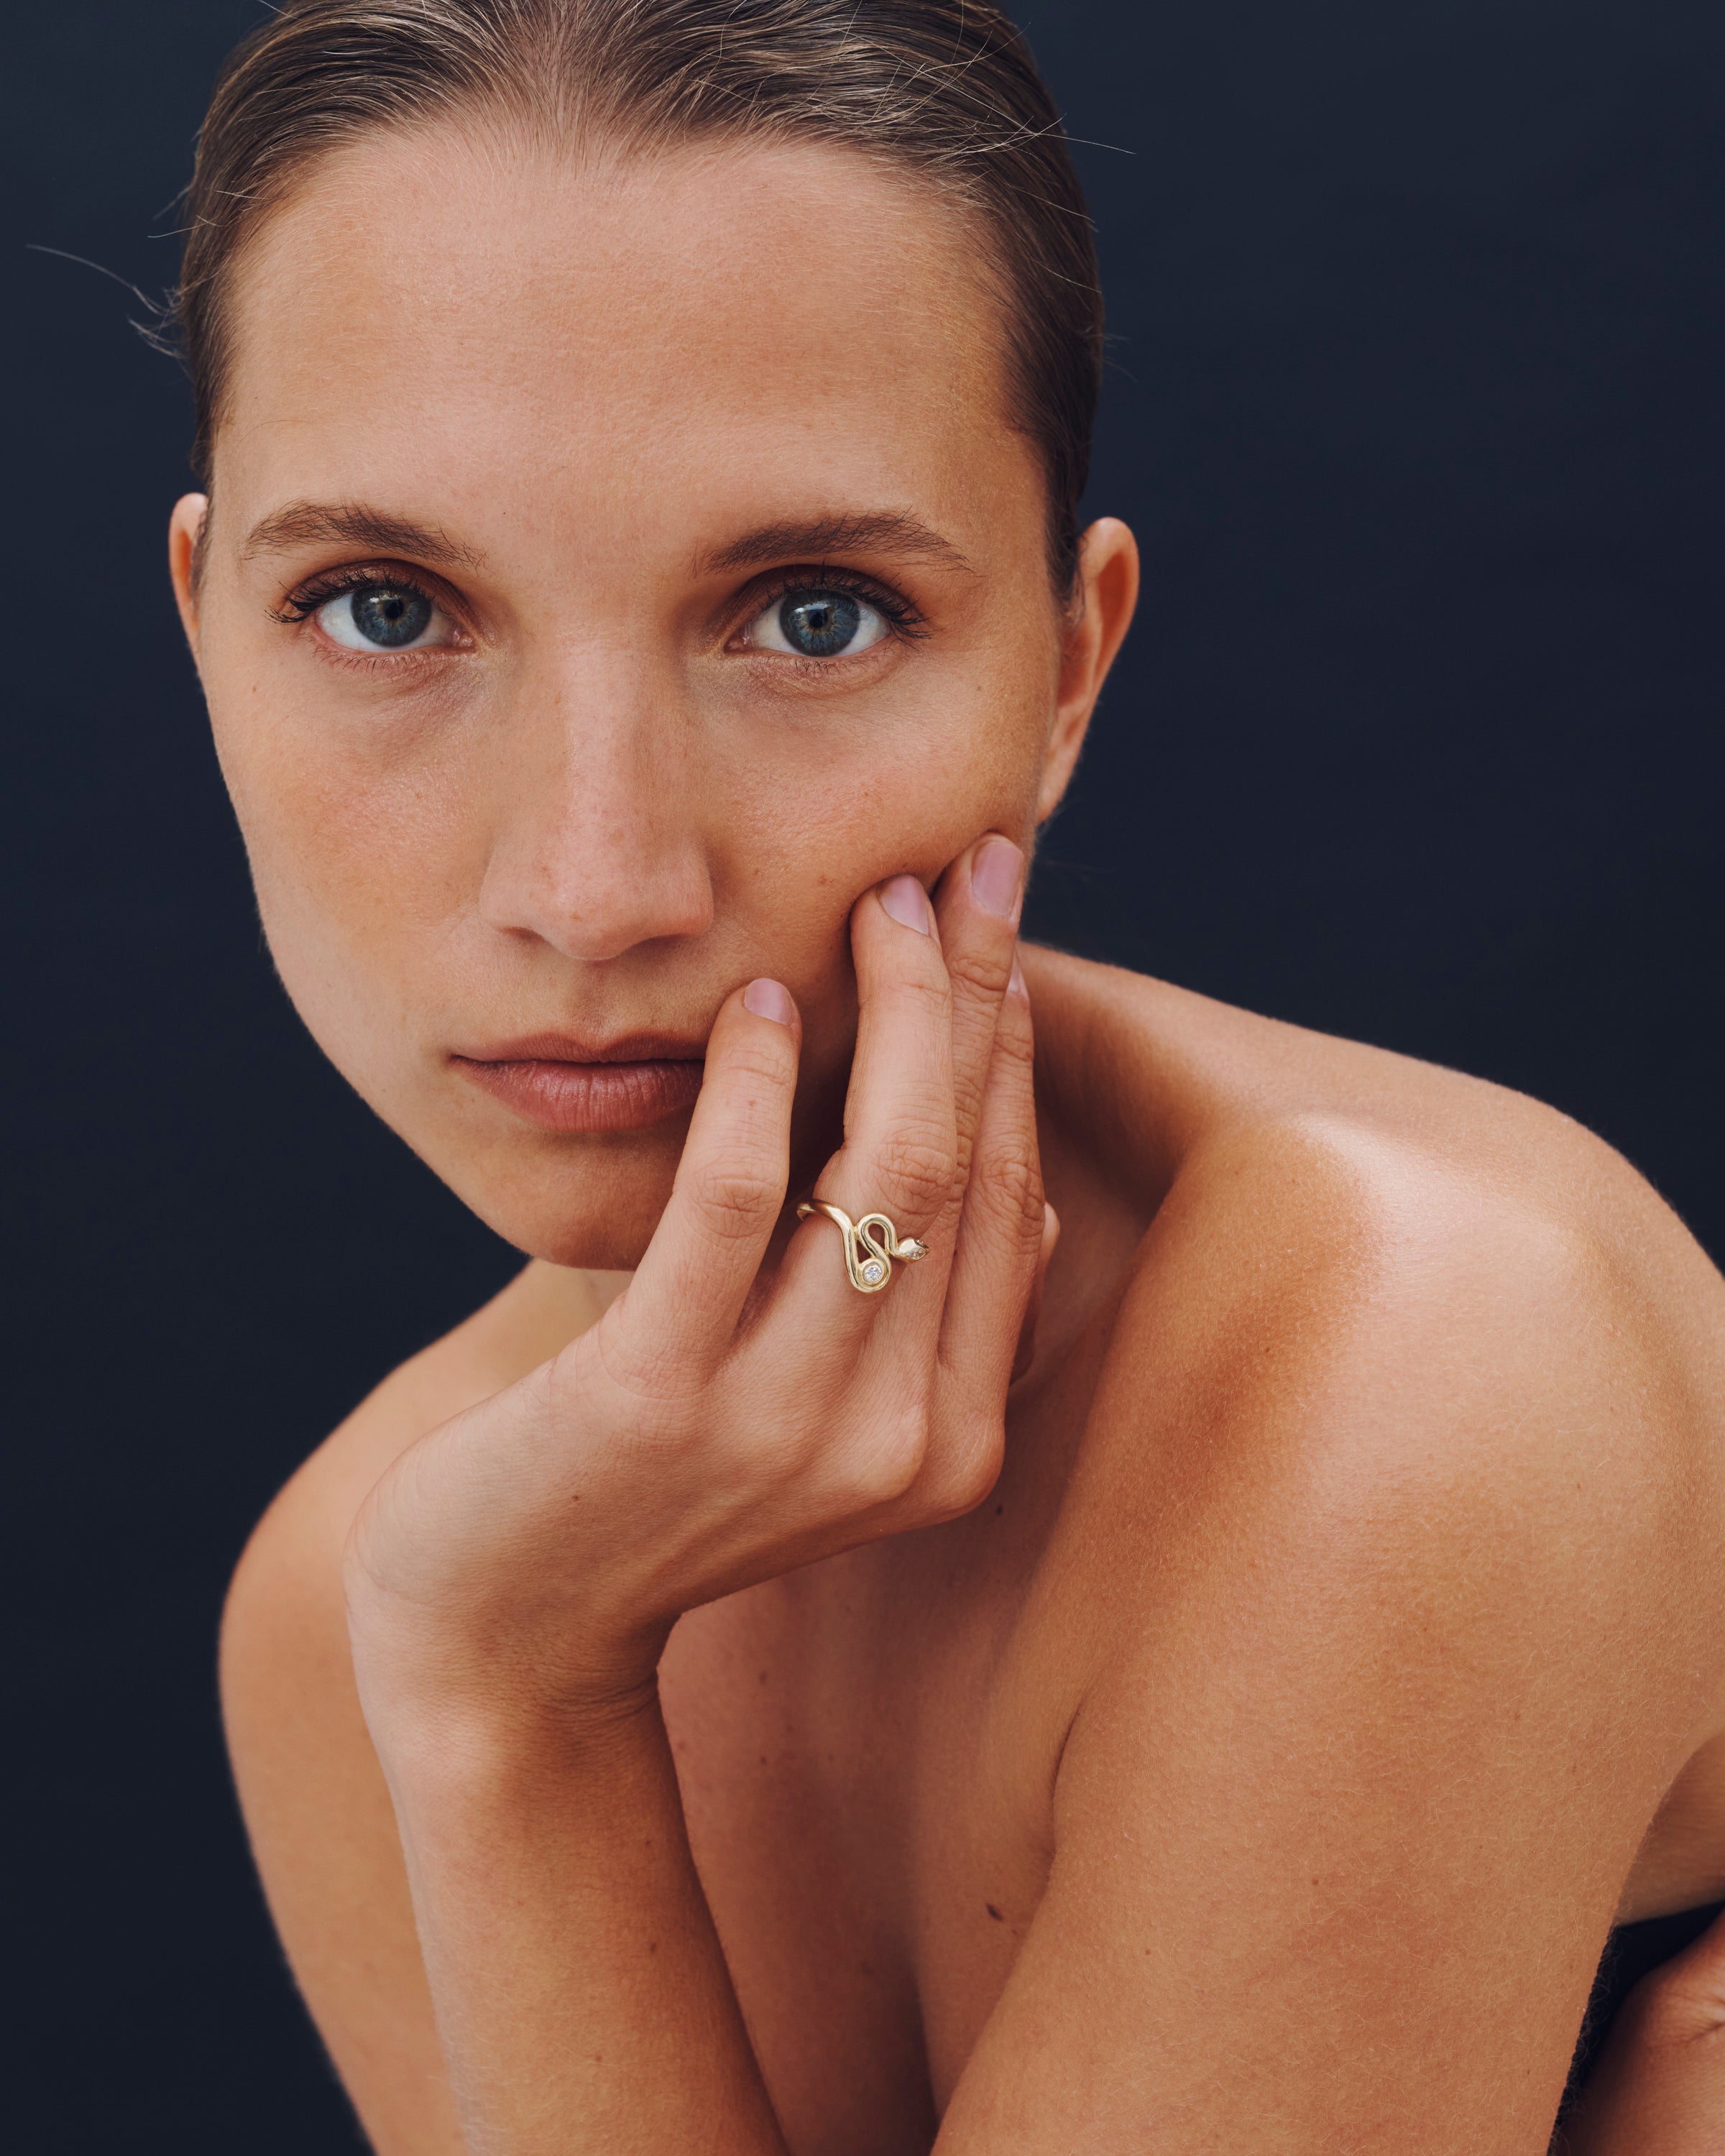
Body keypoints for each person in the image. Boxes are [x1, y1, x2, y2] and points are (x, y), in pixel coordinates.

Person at [162, 3, 1725, 2149]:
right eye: (379, 606)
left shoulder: (1420, 1354)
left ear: (1068, 670)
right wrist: (506, 1699)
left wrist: (500, 1705)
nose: (596, 880)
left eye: (811, 616)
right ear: (199, 639)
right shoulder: (396, 1578)